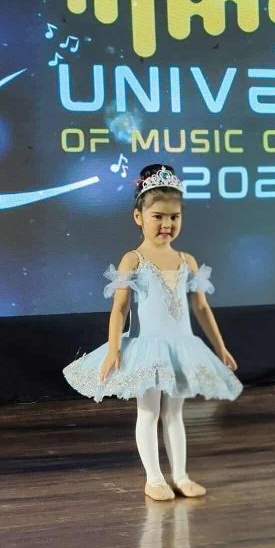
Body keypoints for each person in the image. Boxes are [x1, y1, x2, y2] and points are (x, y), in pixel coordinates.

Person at [63, 163, 243, 500]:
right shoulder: (133, 259)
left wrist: (220, 347)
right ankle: (154, 479)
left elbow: (201, 309)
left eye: (174, 217)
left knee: (175, 413)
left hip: (181, 347)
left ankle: (181, 476)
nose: (167, 224)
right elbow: (119, 309)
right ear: (139, 217)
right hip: (146, 348)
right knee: (149, 411)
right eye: (158, 216)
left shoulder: (187, 260)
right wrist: (114, 349)